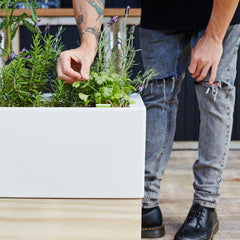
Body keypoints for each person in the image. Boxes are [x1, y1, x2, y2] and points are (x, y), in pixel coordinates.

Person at [57, 0, 240, 239]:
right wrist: (87, 44)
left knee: (214, 95)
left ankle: (205, 205)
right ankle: (147, 203)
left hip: (216, 12)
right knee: (157, 99)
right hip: (161, 15)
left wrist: (215, 38)